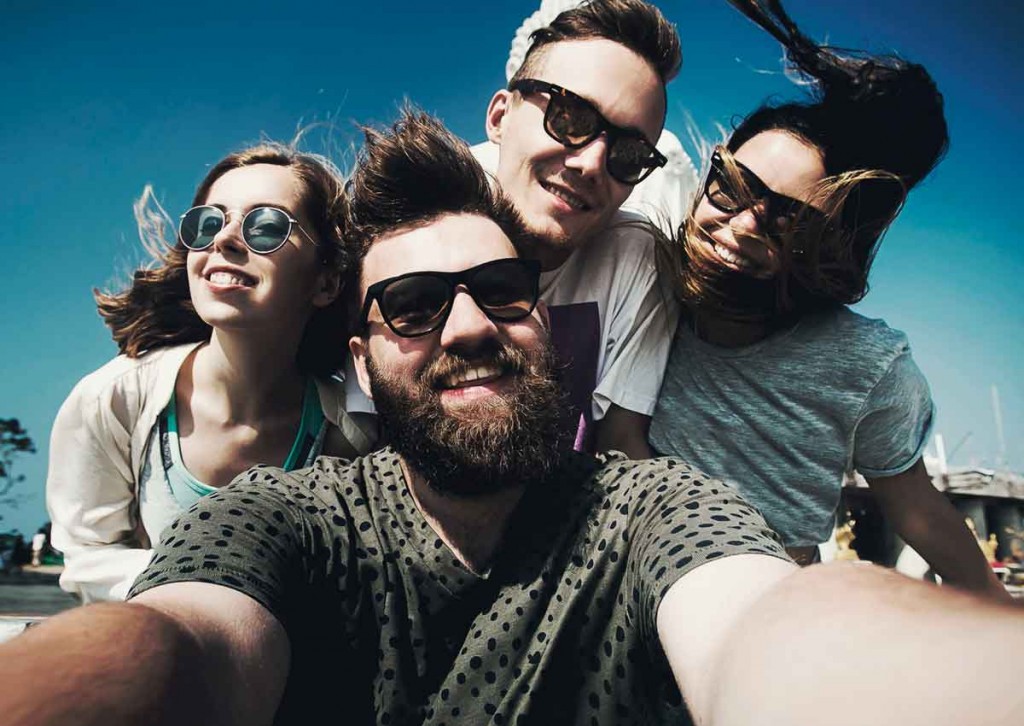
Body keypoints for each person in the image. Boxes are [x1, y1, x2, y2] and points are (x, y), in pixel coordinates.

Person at [4, 110, 1022, 726]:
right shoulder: (287, 517)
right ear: (358, 358)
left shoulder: (651, 510)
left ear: (552, 326)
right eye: (412, 306)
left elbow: (767, 625)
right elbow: (182, 638)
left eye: (500, 293)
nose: (468, 327)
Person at [645, 0, 1007, 598]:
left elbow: (916, 508)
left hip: (765, 610)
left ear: (826, 245)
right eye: (732, 186)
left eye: (786, 219)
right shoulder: (644, 284)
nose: (742, 227)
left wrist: (996, 613)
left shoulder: (868, 365)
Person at [347, 0, 684, 457]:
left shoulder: (637, 256)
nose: (590, 164)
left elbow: (622, 445)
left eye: (630, 155)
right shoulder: (407, 220)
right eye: (569, 118)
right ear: (500, 117)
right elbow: (354, 442)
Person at [46, 142, 374, 603]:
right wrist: (215, 584)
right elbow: (87, 559)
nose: (224, 240)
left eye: (267, 226)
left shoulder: (353, 435)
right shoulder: (113, 401)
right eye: (207, 224)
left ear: (326, 281)